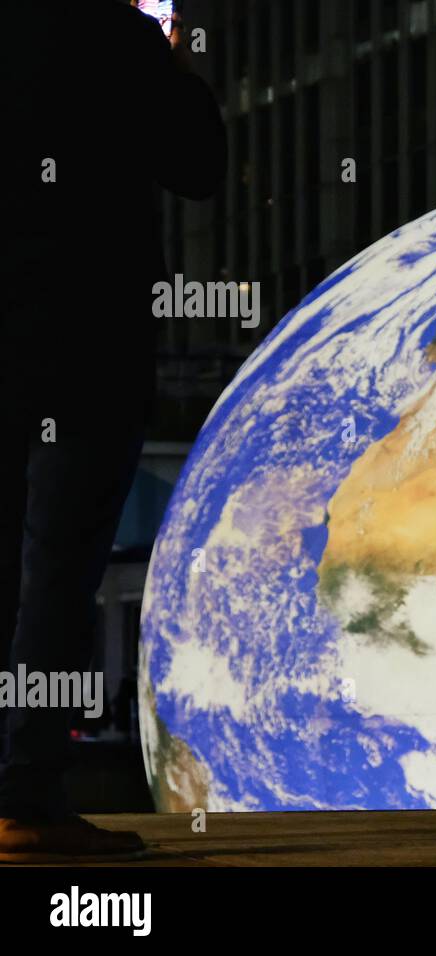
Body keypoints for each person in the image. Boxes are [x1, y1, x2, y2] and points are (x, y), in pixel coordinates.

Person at [0, 0, 227, 861]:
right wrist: (168, 65)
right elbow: (199, 163)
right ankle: (23, 795)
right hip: (85, 346)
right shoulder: (112, 35)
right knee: (58, 572)